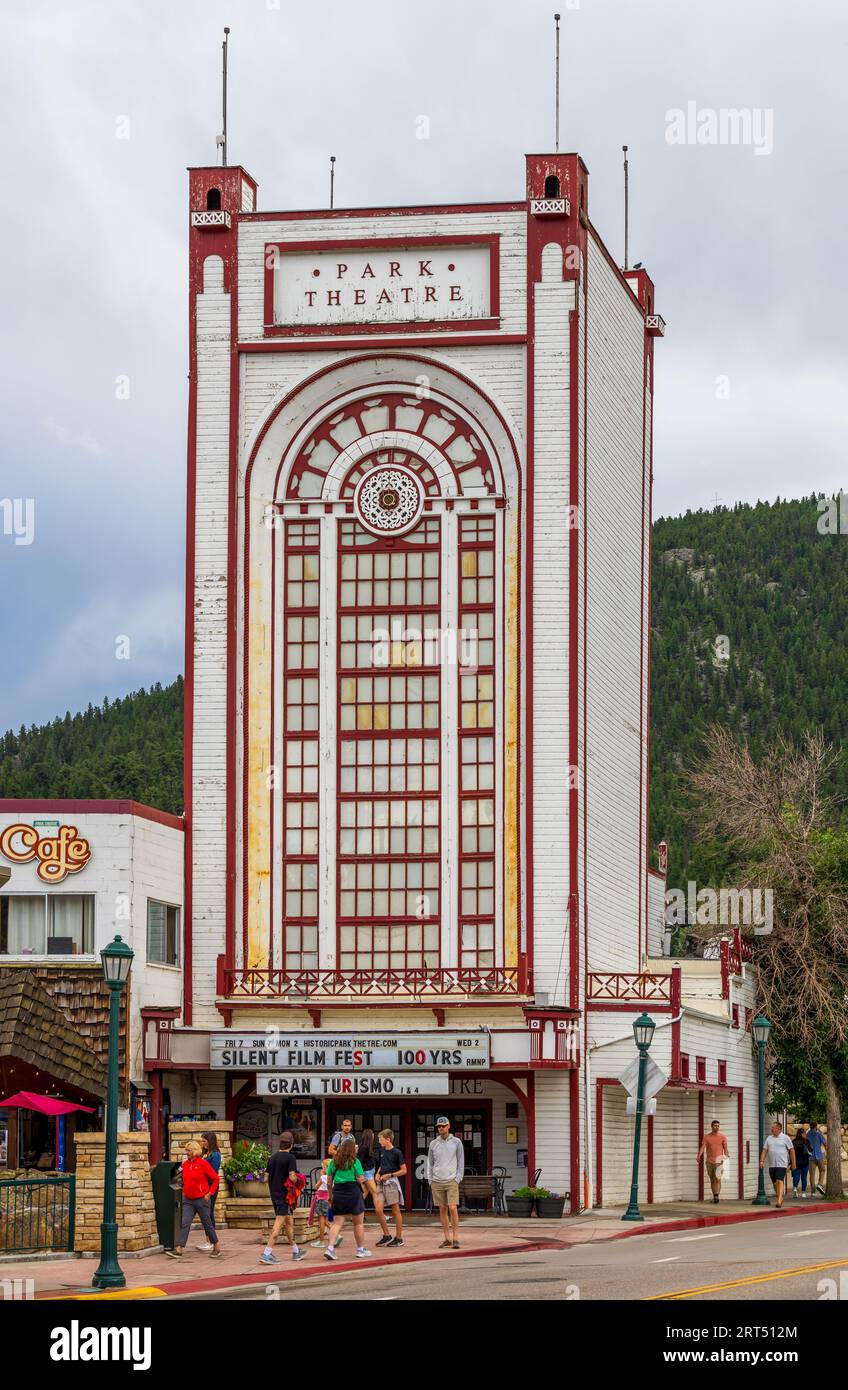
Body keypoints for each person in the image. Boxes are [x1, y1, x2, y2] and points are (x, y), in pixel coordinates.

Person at [166, 1139, 221, 1259]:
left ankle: (216, 1246)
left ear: (195, 1151)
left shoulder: (203, 1163)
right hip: (188, 1200)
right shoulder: (185, 1164)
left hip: (202, 1199)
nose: (187, 1152)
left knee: (207, 1224)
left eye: (189, 1150)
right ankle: (179, 1249)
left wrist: (210, 1193)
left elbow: (216, 1179)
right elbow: (178, 1176)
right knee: (185, 1223)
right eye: (186, 1150)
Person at [261, 1131, 307, 1265]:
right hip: (285, 1196)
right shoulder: (290, 1158)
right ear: (291, 1144)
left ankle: (296, 1251)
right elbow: (292, 1176)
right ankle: (266, 1253)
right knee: (278, 1226)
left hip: (274, 1195)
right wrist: (300, 1180)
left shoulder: (272, 1158)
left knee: (289, 1223)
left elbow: (265, 1178)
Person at [323, 1137, 371, 1260]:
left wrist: (330, 1196)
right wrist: (365, 1180)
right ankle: (360, 1249)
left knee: (337, 1223)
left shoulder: (334, 1162)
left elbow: (329, 1181)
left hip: (338, 1192)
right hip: (353, 1192)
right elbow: (360, 1179)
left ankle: (330, 1248)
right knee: (358, 1223)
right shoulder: (355, 1162)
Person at [426, 1116, 464, 1250]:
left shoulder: (456, 1142)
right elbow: (429, 1162)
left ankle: (456, 1238)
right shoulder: (433, 1143)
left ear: (448, 1126)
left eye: (443, 1126)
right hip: (437, 1180)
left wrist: (458, 1178)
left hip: (451, 1180)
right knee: (442, 1209)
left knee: (453, 1207)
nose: (441, 1128)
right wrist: (430, 1179)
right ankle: (447, 1238)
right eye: (439, 1126)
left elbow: (461, 1161)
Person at [373, 1127, 407, 1247]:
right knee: (378, 1209)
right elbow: (382, 1165)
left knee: (395, 1210)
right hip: (381, 1183)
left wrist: (390, 1175)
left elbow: (404, 1170)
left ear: (388, 1140)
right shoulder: (382, 1151)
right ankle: (387, 1235)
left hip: (391, 1183)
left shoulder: (397, 1152)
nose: (379, 1141)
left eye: (380, 1139)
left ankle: (399, 1238)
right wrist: (377, 1173)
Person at [194, 1131, 222, 1250]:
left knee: (208, 1213)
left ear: (210, 1141)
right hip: (203, 1187)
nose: (203, 1143)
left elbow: (212, 1172)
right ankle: (209, 1240)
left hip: (210, 1188)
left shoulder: (215, 1155)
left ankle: (211, 1241)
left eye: (204, 1141)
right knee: (205, 1213)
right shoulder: (206, 1154)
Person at [760, 1121, 795, 1208]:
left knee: (780, 1181)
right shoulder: (769, 1138)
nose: (771, 1129)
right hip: (772, 1164)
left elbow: (792, 1150)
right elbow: (765, 1150)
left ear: (778, 1129)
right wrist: (761, 1161)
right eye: (772, 1127)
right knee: (775, 1183)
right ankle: (780, 1196)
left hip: (782, 1164)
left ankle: (779, 1200)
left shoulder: (785, 1138)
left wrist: (793, 1163)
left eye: (773, 1127)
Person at [697, 1119, 730, 1204]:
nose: (717, 1127)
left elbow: (725, 1148)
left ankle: (716, 1196)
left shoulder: (722, 1137)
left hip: (719, 1160)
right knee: (712, 1179)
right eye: (715, 1126)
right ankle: (714, 1195)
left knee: (718, 1179)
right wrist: (699, 1155)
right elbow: (702, 1147)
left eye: (718, 1126)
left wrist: (726, 1157)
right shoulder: (707, 1137)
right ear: (711, 1126)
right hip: (709, 1161)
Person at [308, 1158, 332, 1248]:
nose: (322, 1169)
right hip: (328, 1199)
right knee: (326, 1220)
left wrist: (322, 1176)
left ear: (326, 1168)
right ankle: (337, 1235)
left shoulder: (323, 1177)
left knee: (321, 1220)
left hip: (321, 1200)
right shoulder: (332, 1177)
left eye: (323, 1167)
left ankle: (321, 1241)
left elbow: (316, 1187)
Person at [791, 1125, 812, 1198]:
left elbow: (790, 1152)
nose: (806, 1134)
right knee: (804, 1177)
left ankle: (795, 1189)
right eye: (805, 1133)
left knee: (796, 1177)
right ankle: (803, 1193)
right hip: (805, 1162)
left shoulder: (793, 1142)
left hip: (796, 1162)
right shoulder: (806, 1141)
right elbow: (810, 1150)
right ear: (803, 1134)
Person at [807, 1121, 827, 1195]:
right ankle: (820, 1184)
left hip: (810, 1157)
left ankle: (812, 1192)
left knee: (812, 1175)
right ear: (816, 1126)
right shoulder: (818, 1134)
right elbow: (825, 1143)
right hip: (819, 1156)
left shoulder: (807, 1135)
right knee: (822, 1170)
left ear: (810, 1126)